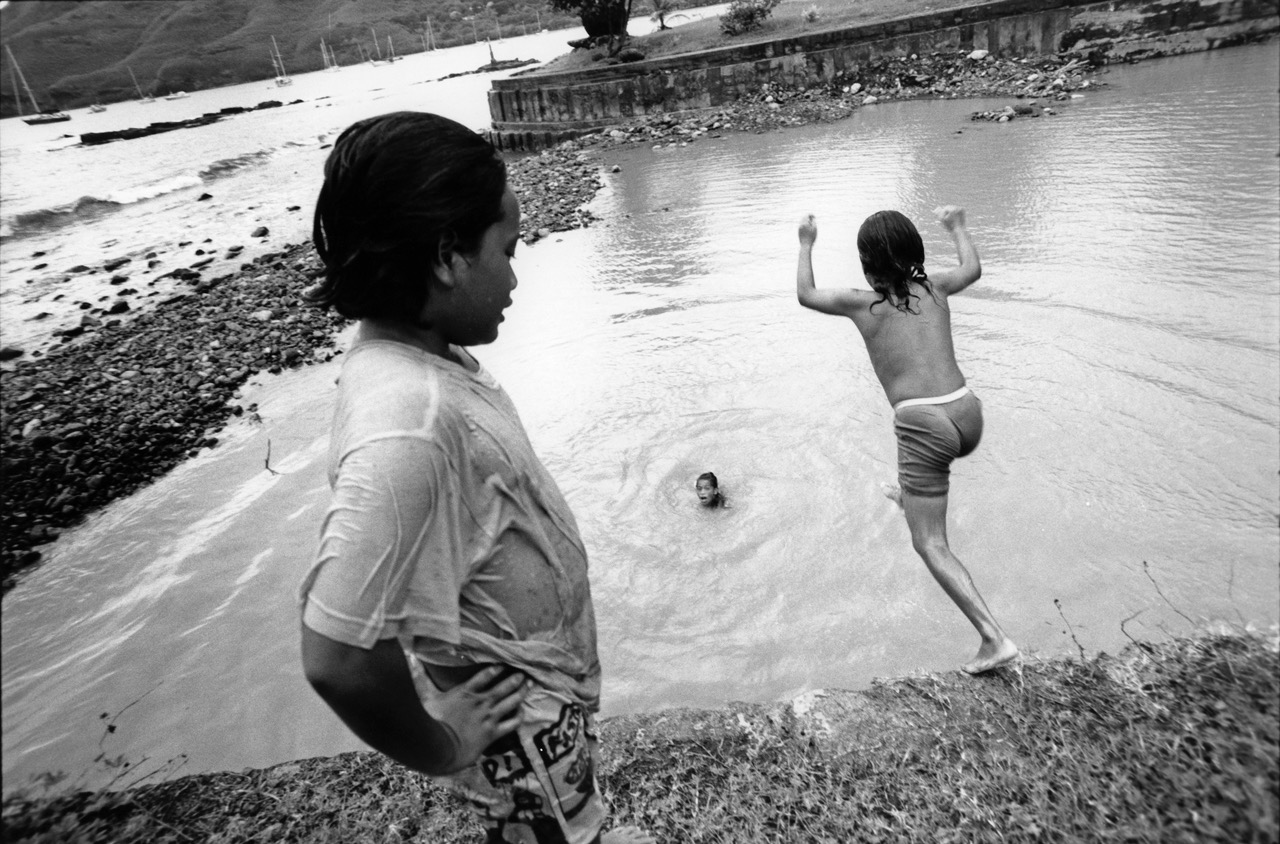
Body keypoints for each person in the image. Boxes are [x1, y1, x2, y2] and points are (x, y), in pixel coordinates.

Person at [298, 111, 653, 844]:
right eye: (507, 249)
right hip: (517, 743)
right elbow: (336, 658)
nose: (515, 276)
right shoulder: (406, 420)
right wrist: (444, 745)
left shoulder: (424, 361)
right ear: (447, 257)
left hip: (539, 710)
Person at [794, 205, 1018, 675]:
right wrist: (958, 226)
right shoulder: (935, 287)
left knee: (930, 543)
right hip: (967, 411)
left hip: (924, 424)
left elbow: (806, 294)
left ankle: (993, 639)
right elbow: (973, 269)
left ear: (867, 263)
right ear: (914, 251)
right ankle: (909, 493)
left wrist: (806, 242)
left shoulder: (862, 303)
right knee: (917, 479)